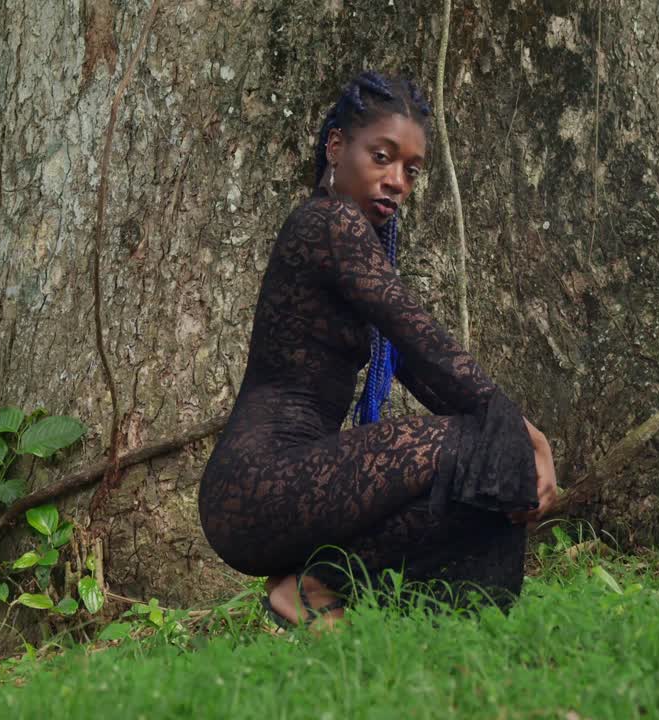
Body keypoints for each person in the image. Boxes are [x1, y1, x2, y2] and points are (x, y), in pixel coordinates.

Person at [198, 71, 557, 629]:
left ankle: (314, 586)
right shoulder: (328, 222)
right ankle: (320, 585)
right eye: (382, 157)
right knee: (490, 447)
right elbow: (421, 337)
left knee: (488, 457)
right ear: (336, 146)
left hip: (280, 494)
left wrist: (506, 437)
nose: (396, 181)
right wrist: (522, 432)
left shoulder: (349, 238)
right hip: (257, 483)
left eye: (411, 171)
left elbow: (419, 367)